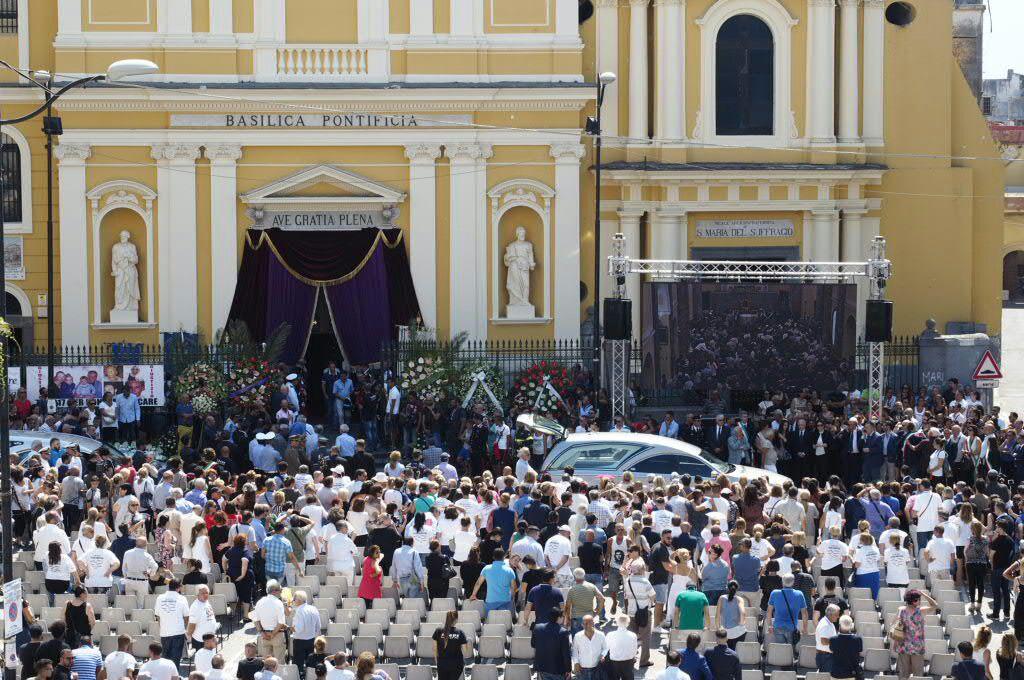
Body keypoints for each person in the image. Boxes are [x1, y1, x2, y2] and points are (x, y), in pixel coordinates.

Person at [893, 589, 940, 680]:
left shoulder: (901, 610)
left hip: (903, 646)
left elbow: (896, 627)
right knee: (918, 674)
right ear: (915, 601)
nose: (920, 601)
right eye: (919, 599)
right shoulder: (921, 611)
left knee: (903, 674)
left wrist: (895, 643)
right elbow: (935, 605)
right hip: (917, 647)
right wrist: (924, 594)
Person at [623, 561, 656, 668]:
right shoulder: (645, 582)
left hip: (632, 613)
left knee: (632, 637)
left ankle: (630, 658)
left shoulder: (627, 581)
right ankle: (643, 661)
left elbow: (626, 596)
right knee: (645, 637)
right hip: (644, 612)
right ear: (642, 570)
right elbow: (653, 596)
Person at [153, 580, 190, 670]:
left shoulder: (160, 598)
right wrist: (184, 628)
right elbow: (186, 617)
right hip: (178, 633)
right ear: (179, 587)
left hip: (164, 633)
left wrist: (162, 627)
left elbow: (157, 616)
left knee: (165, 659)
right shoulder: (182, 598)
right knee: (175, 660)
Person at [470, 548, 517, 615]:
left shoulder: (486, 568)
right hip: (505, 600)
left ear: (493, 557)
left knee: (491, 621)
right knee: (504, 621)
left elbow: (478, 583)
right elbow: (514, 587)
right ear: (504, 557)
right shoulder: (510, 570)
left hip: (490, 601)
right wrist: (511, 598)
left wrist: (473, 594)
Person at [766, 574, 809, 645]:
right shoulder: (799, 594)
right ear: (793, 582)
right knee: (790, 651)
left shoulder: (774, 593)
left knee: (782, 650)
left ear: (782, 582)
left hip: (778, 626)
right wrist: (805, 628)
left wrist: (770, 625)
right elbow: (804, 613)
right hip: (792, 627)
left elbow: (769, 611)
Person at [252, 580, 288, 661]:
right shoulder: (278, 603)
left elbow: (256, 620)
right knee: (279, 663)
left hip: (264, 636)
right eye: (280, 590)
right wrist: (273, 634)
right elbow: (281, 622)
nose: (281, 593)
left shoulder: (259, 602)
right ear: (275, 591)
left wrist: (262, 633)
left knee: (267, 663)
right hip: (277, 635)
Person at [532, 608, 571, 680]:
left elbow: (533, 644)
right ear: (558, 618)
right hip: (558, 670)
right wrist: (568, 670)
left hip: (542, 667)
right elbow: (566, 654)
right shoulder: (563, 632)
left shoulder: (537, 627)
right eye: (562, 616)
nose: (563, 618)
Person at [290, 590, 322, 676]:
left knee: (298, 666)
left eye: (294, 599)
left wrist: (291, 628)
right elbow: (318, 626)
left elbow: (298, 629)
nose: (293, 601)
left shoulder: (299, 611)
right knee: (310, 665)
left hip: (300, 642)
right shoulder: (313, 608)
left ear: (299, 600)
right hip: (311, 640)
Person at [565, 568, 604, 634]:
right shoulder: (592, 586)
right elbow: (602, 599)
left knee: (576, 641)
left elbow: (568, 606)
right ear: (584, 575)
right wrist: (597, 611)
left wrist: (568, 618)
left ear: (574, 577)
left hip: (575, 618)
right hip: (589, 618)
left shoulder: (572, 590)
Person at [432, 610, 467, 680]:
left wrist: (437, 662)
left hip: (442, 664)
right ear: (456, 620)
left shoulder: (438, 631)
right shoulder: (460, 633)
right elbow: (465, 651)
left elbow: (434, 649)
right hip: (456, 665)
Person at [571, 615, 607, 680]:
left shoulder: (601, 635)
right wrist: (576, 663)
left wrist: (603, 655)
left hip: (597, 668)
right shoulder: (577, 636)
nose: (587, 625)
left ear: (593, 623)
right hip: (582, 668)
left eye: (589, 623)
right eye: (585, 624)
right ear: (582, 624)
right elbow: (575, 651)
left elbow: (605, 648)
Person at [828, 615, 864, 680]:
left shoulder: (832, 639)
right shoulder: (858, 639)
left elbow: (831, 652)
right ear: (851, 626)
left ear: (839, 625)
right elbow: (859, 653)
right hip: (851, 673)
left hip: (836, 673)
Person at [605, 614, 639, 680]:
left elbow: (606, 648)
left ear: (617, 623)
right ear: (628, 623)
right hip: (628, 662)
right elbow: (634, 650)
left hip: (614, 662)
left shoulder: (610, 634)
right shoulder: (633, 635)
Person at [716, 581, 747, 648]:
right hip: (739, 632)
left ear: (727, 588)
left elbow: (717, 615)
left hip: (725, 633)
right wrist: (741, 623)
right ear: (737, 589)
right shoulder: (740, 599)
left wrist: (718, 628)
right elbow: (743, 612)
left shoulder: (721, 598)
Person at [815, 603, 841, 673]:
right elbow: (823, 641)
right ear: (830, 614)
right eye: (836, 614)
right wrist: (837, 641)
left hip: (825, 656)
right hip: (825, 657)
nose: (838, 616)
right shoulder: (825, 625)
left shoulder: (829, 623)